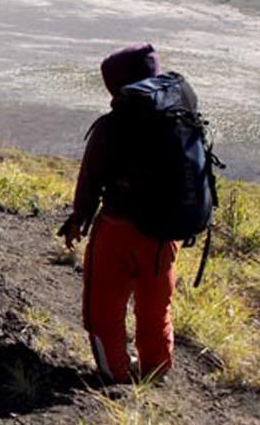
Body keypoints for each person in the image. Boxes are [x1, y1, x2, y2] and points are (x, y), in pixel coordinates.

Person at [58, 43, 184, 384]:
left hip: (118, 229)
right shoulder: (181, 118)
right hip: (165, 233)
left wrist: (78, 220)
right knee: (155, 305)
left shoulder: (112, 127)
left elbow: (90, 180)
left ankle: (115, 373)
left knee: (104, 306)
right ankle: (156, 371)